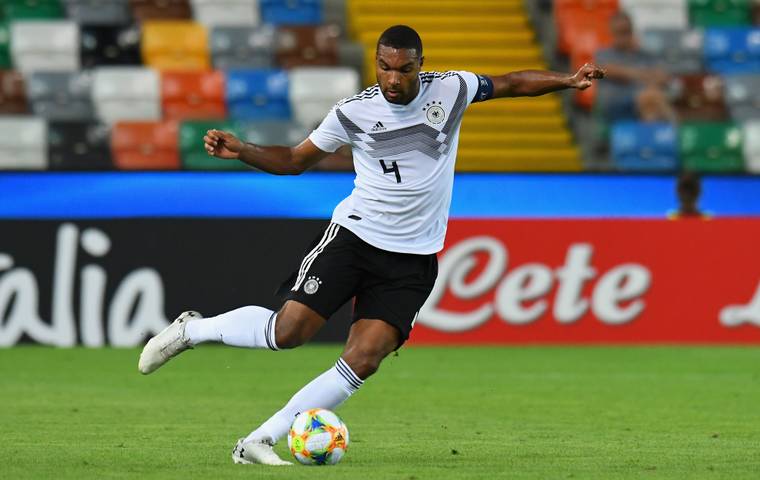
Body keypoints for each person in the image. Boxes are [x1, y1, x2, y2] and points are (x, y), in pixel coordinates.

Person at [138, 25, 605, 466]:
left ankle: (259, 440)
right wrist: (244, 150)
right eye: (384, 67)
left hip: (413, 258)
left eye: (404, 69)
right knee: (288, 333)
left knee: (364, 359)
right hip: (356, 238)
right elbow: (295, 160)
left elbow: (512, 83)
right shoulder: (353, 112)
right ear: (376, 63)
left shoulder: (452, 89)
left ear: (421, 65)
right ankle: (192, 330)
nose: (393, 79)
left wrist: (567, 80)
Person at [595, 12, 676, 123]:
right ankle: (673, 129)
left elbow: (663, 76)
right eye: (618, 32)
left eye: (626, 31)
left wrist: (650, 81)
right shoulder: (604, 54)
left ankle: (655, 130)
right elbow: (609, 70)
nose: (623, 37)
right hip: (616, 103)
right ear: (612, 33)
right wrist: (642, 75)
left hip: (646, 98)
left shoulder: (644, 55)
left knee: (651, 99)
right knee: (650, 97)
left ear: (632, 31)